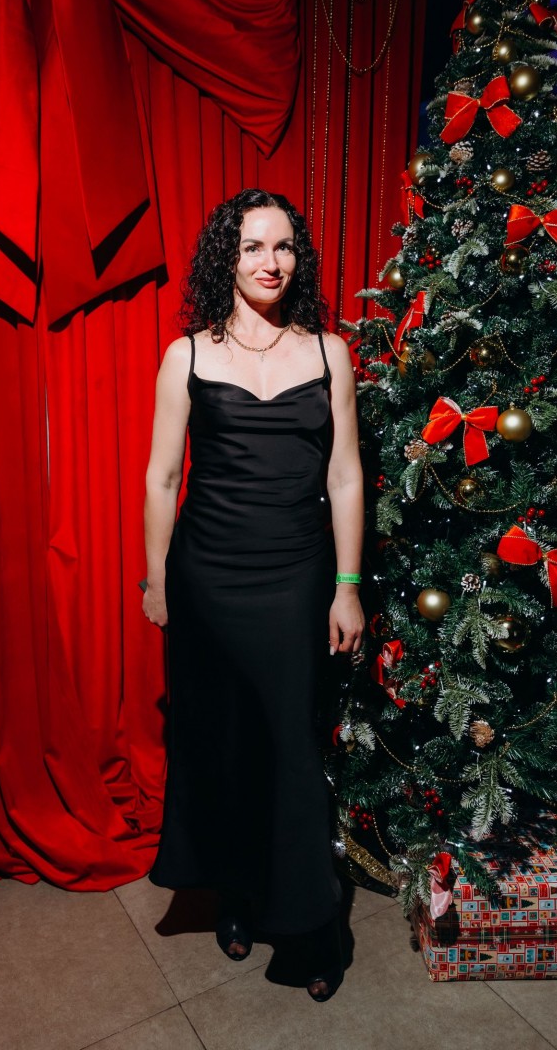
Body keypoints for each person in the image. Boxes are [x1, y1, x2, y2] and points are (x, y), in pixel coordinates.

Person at [142, 189, 364, 1001]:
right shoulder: (187, 356)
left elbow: (346, 476)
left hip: (296, 579)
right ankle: (235, 897)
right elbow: (163, 477)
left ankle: (313, 928)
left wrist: (347, 587)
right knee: (224, 746)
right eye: (252, 248)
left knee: (294, 751)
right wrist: (157, 579)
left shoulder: (330, 353)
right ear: (225, 260)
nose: (271, 263)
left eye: (284, 246)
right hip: (206, 580)